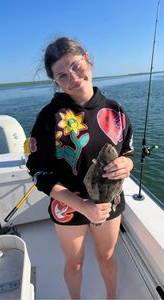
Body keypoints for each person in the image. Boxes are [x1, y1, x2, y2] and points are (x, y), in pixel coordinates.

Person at [26, 36, 134, 300]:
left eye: (75, 66)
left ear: (87, 59)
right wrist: (81, 205)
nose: (72, 77)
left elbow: (128, 150)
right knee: (74, 263)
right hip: (68, 206)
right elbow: (38, 171)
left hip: (109, 200)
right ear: (55, 81)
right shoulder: (50, 117)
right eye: (62, 75)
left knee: (106, 257)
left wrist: (127, 163)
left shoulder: (115, 111)